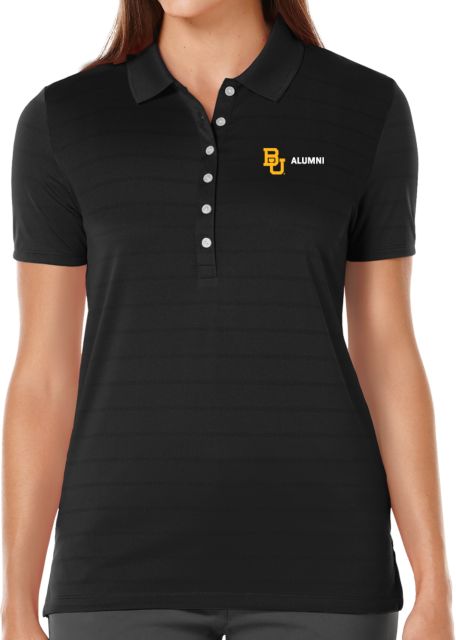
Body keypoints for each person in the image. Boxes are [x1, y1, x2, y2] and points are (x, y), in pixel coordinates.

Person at [2, 0, 454, 639]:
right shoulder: (64, 120)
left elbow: (387, 350)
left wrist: (434, 585)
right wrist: (15, 603)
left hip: (326, 572)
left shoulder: (364, 107)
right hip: (114, 574)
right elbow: (44, 375)